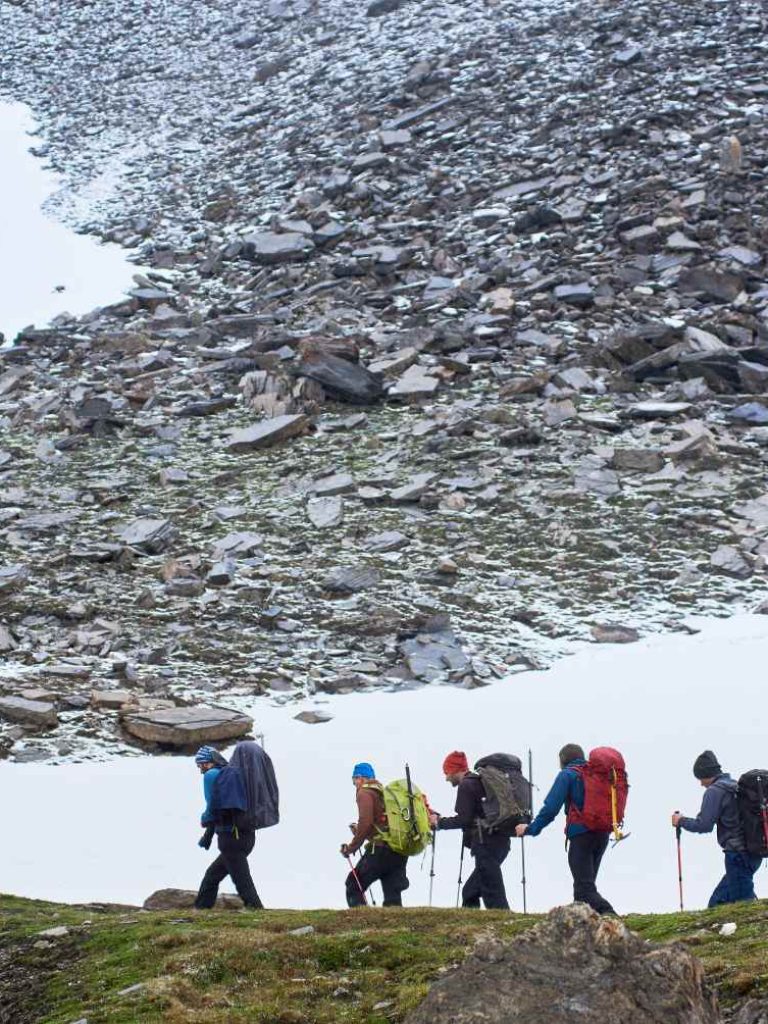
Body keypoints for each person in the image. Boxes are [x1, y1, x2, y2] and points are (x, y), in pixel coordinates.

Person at [515, 743, 616, 915]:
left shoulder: (568, 774)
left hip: (581, 836)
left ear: (562, 760)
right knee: (584, 887)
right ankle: (585, 927)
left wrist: (531, 829)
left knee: (584, 888)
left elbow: (551, 808)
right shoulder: (598, 775)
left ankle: (611, 916)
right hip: (603, 834)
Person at [672, 750, 762, 907]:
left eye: (701, 778)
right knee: (722, 901)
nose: (701, 783)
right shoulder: (735, 786)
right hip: (754, 852)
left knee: (740, 904)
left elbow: (704, 825)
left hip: (737, 854)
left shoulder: (714, 791)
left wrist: (681, 821)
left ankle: (756, 929)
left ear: (707, 774)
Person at [430, 750, 510, 909]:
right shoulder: (480, 782)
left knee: (491, 891)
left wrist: (439, 823)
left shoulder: (466, 785)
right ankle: (476, 924)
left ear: (455, 769)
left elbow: (463, 819)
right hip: (500, 841)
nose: (446, 778)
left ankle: (502, 923)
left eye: (447, 772)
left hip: (485, 843)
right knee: (471, 891)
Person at [194, 745, 264, 910]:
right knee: (212, 876)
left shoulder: (212, 775)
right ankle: (201, 910)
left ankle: (256, 909)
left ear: (209, 762)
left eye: (201, 764)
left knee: (241, 880)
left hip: (230, 838)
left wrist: (204, 820)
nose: (201, 770)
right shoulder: (235, 775)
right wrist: (208, 836)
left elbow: (213, 807)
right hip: (246, 836)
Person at [341, 762, 409, 907]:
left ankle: (362, 926)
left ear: (361, 778)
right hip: (398, 850)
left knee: (353, 885)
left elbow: (366, 822)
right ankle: (394, 929)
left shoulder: (364, 793)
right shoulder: (384, 793)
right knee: (392, 897)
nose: (355, 784)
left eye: (354, 780)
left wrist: (351, 847)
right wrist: (361, 830)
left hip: (380, 851)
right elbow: (379, 823)